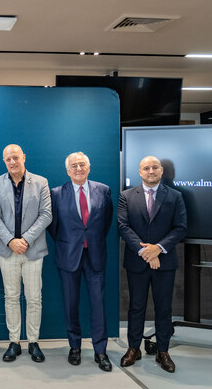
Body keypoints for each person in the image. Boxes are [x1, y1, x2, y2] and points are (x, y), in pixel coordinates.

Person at [118, 155, 187, 373]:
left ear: (161, 171)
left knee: (164, 308)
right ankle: (133, 348)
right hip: (137, 262)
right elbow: (123, 226)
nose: (150, 171)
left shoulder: (175, 196)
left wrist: (157, 248)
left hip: (164, 263)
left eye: (154, 167)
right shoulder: (126, 196)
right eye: (146, 168)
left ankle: (163, 351)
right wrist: (145, 251)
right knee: (135, 307)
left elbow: (180, 227)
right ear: (140, 172)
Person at [48, 152, 113, 372]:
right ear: (67, 170)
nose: (78, 168)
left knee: (98, 305)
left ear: (89, 167)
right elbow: (53, 227)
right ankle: (74, 346)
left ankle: (100, 350)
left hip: (95, 255)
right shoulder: (56, 194)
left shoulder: (103, 190)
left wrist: (89, 240)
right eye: (74, 165)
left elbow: (106, 223)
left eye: (82, 164)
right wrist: (70, 242)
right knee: (70, 304)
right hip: (68, 256)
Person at [0, 144, 51, 363]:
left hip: (33, 250)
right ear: (4, 161)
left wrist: (25, 240)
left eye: (16, 157)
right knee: (11, 298)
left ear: (23, 157)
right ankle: (14, 342)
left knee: (34, 298)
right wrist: (10, 241)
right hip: (8, 251)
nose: (12, 162)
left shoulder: (41, 182)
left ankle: (33, 342)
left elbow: (46, 215)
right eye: (8, 159)